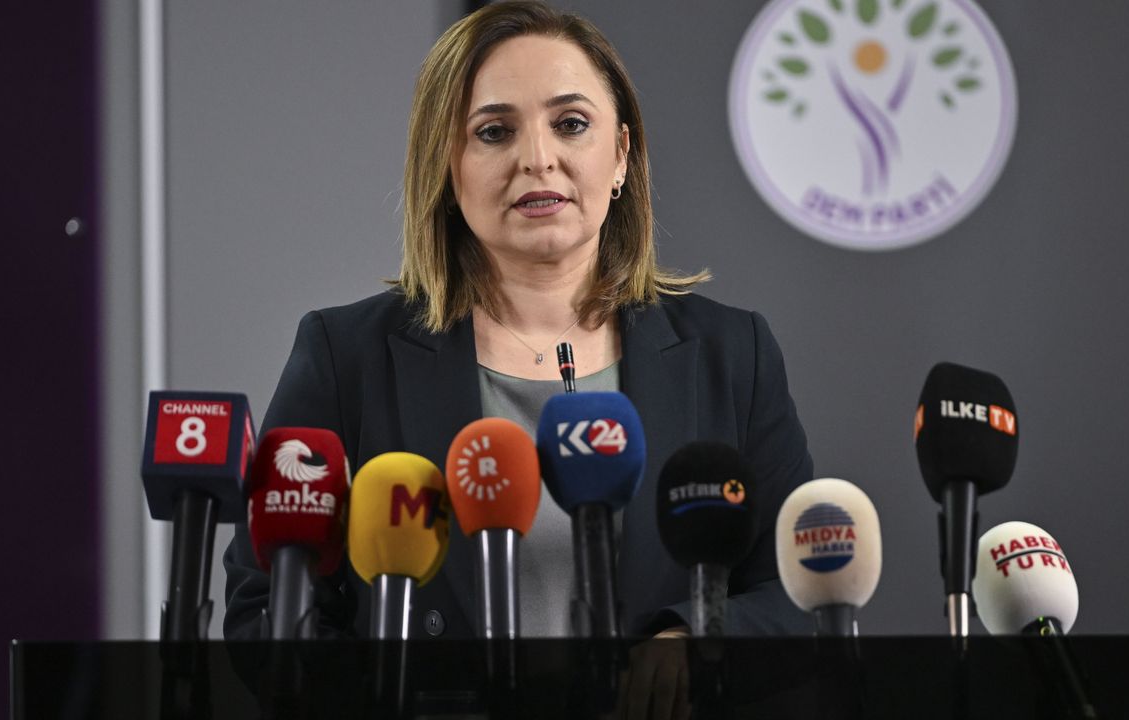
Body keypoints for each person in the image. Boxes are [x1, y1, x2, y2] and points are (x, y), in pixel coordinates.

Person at [224, 0, 813, 714]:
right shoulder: (345, 356)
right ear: (449, 167)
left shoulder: (732, 354)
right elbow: (264, 609)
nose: (537, 158)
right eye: (494, 131)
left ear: (621, 154)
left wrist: (698, 639)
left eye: (571, 123)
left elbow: (798, 594)